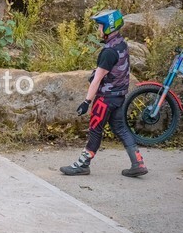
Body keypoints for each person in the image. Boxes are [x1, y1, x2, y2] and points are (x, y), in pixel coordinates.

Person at [60, 9, 148, 177]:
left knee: (95, 130)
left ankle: (82, 165)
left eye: (100, 27)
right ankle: (138, 162)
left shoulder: (108, 52)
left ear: (108, 27)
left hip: (105, 99)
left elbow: (97, 80)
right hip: (119, 96)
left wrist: (86, 102)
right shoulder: (121, 43)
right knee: (120, 128)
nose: (98, 30)